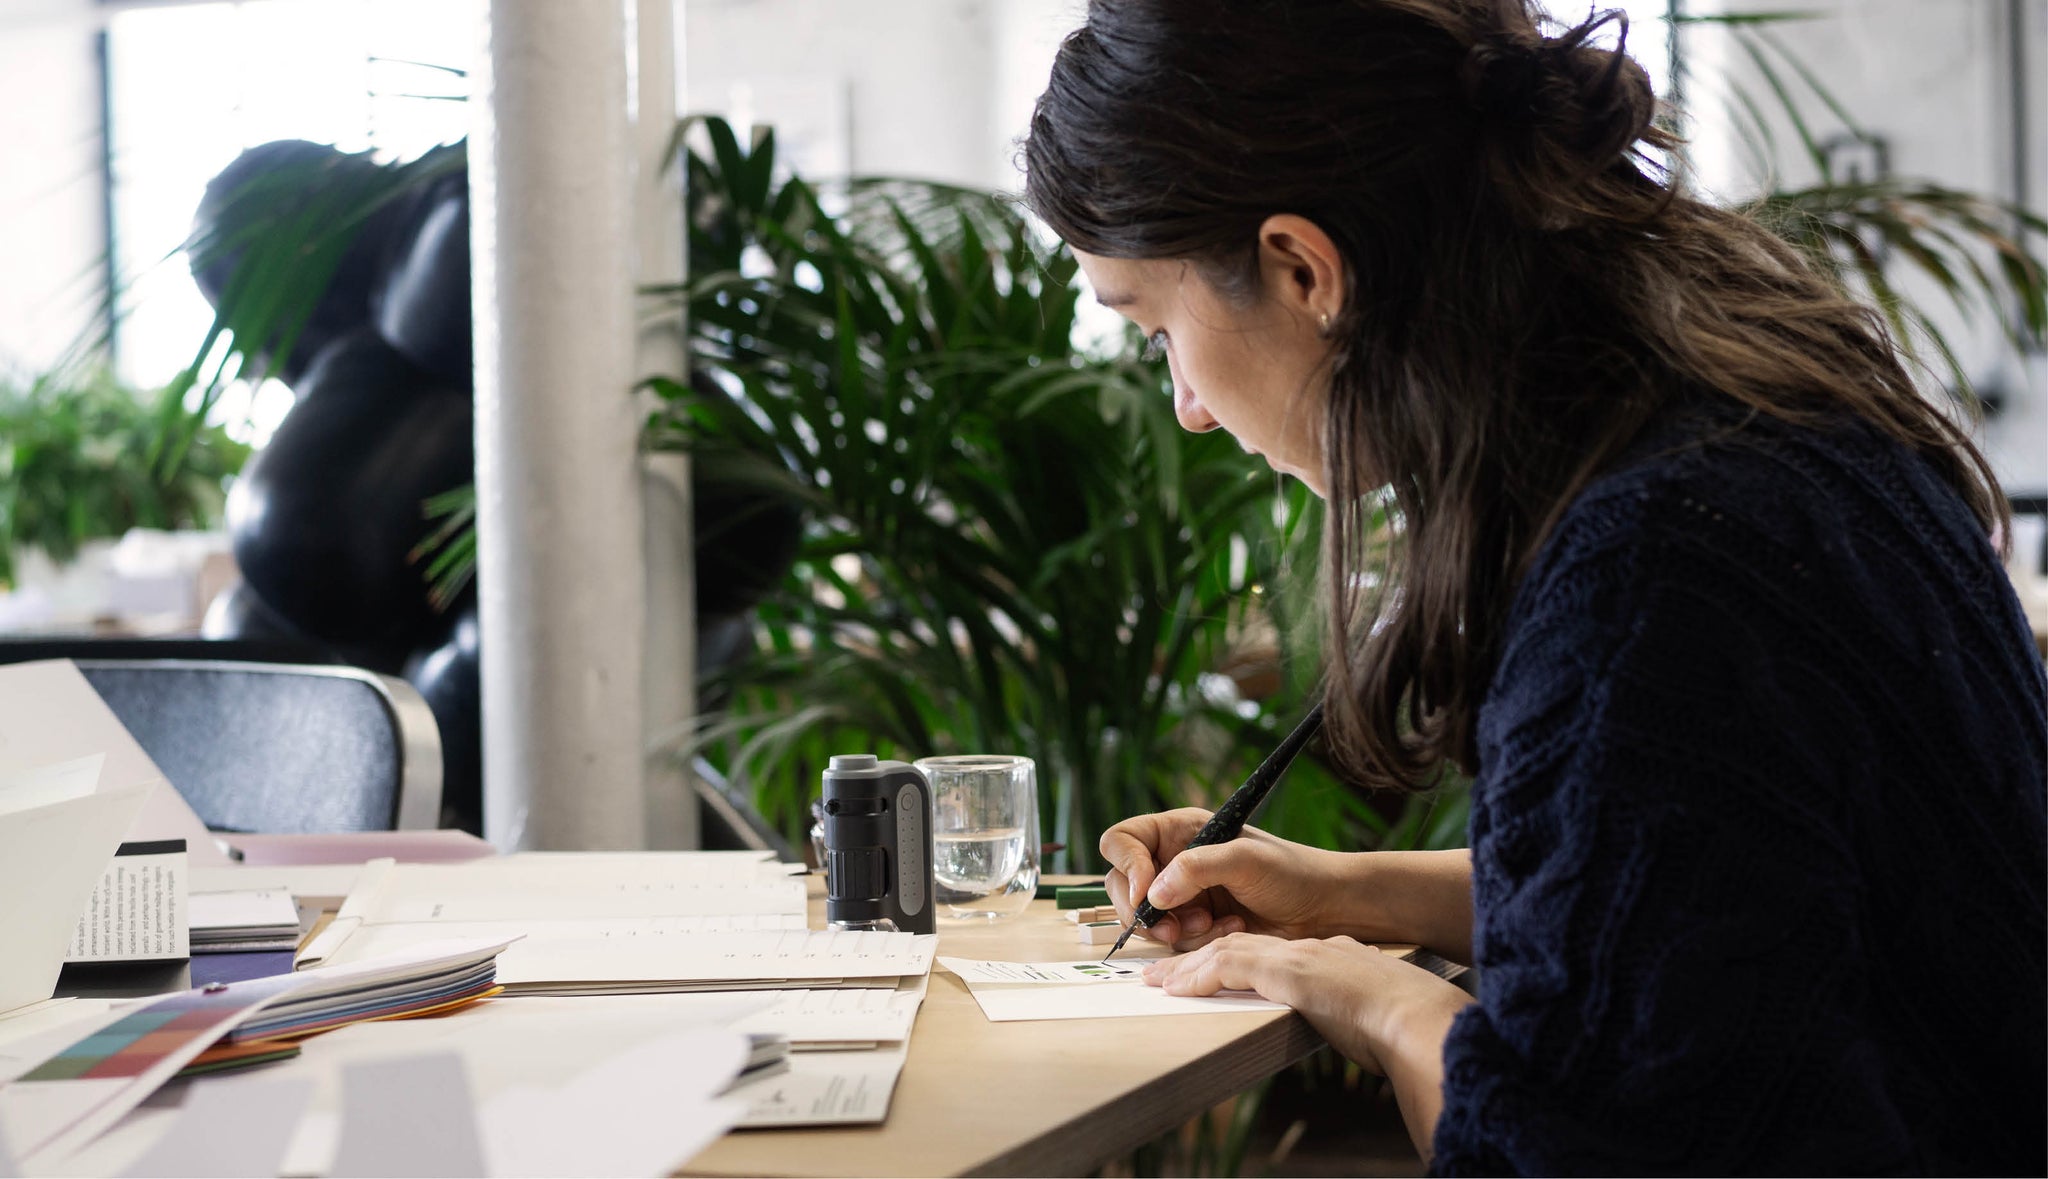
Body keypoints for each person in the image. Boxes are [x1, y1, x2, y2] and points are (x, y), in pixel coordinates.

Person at [1021, 0, 2047, 1173]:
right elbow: (1713, 903)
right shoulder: (1746, 423)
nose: (1188, 407)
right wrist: (1346, 891)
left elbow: (1571, 1154)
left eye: (1153, 328)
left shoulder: (1645, 574)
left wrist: (1368, 999)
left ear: (1302, 268)